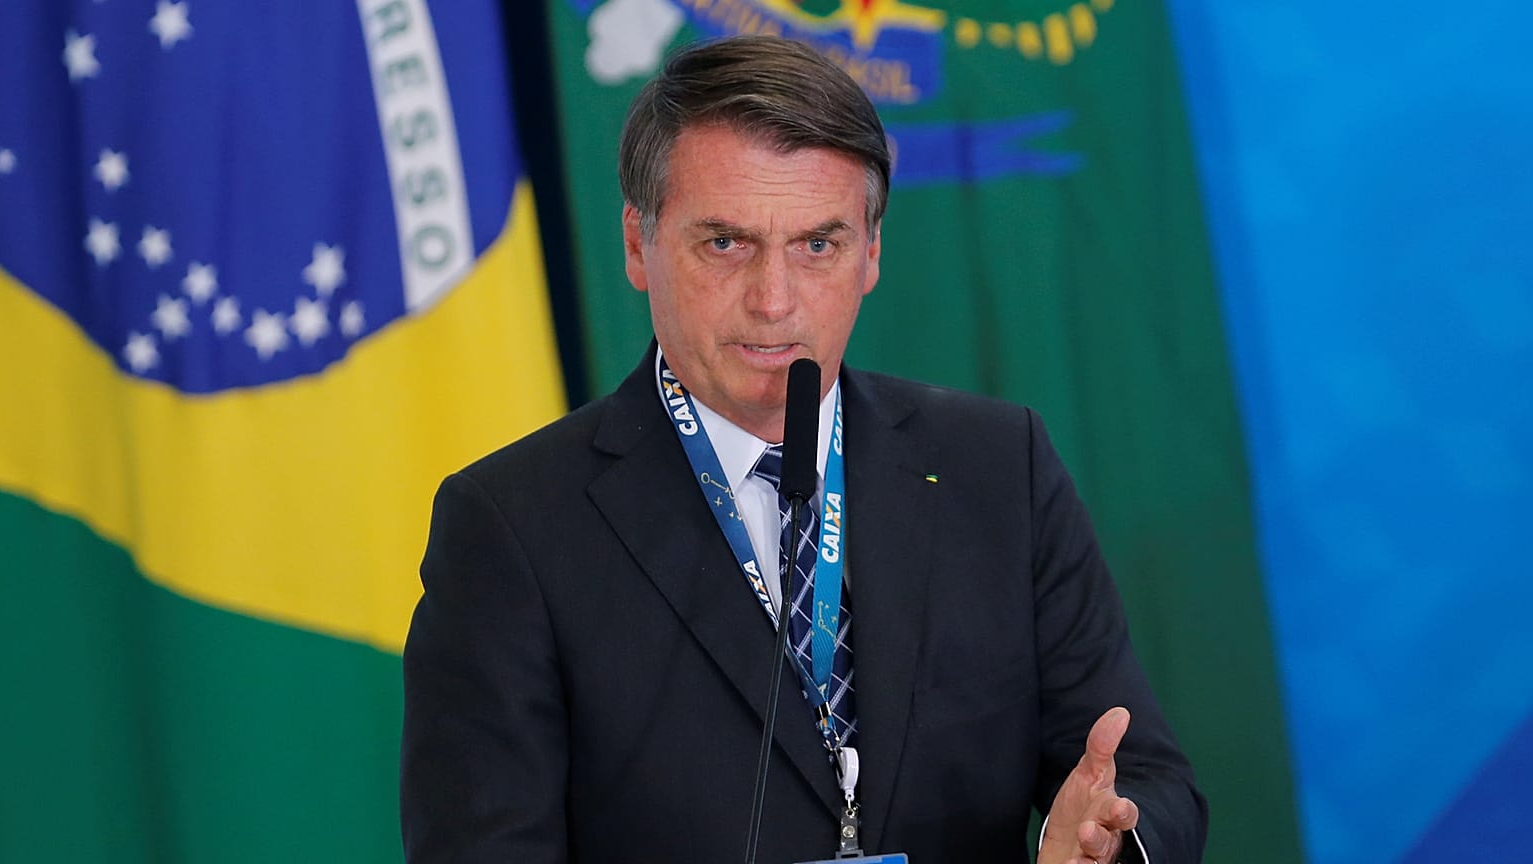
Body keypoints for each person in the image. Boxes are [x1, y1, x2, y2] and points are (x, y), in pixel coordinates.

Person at [401, 35, 1206, 864]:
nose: (774, 301)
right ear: (640, 246)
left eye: (817, 245)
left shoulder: (999, 466)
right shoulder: (511, 527)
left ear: (872, 252)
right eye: (725, 243)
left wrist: (1109, 844)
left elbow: (1144, 779)